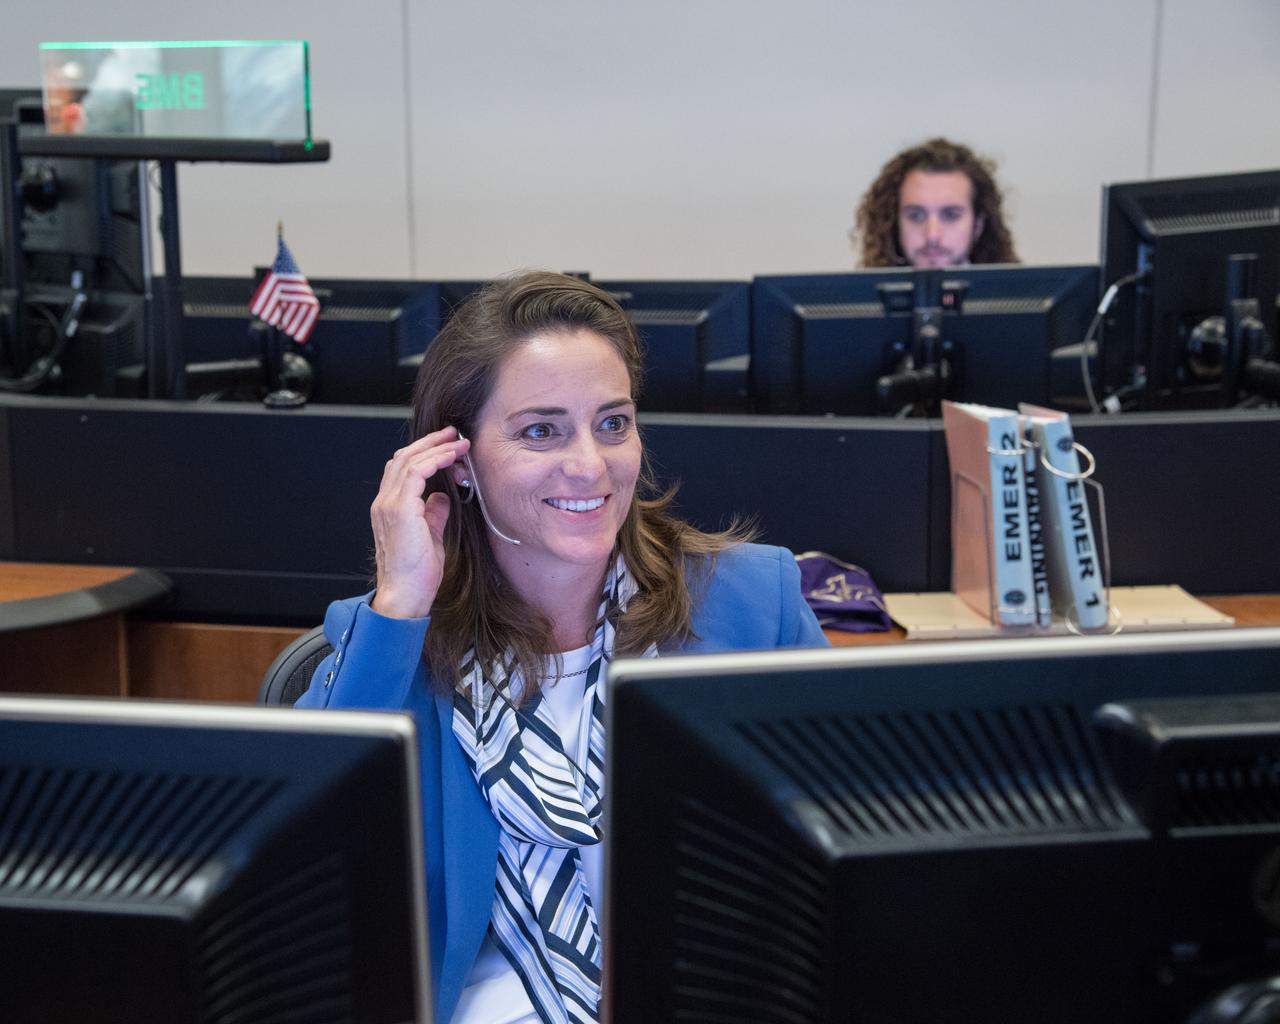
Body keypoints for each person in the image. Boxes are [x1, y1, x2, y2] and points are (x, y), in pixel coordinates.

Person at [295, 270, 828, 1024]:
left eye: (613, 423)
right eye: (541, 430)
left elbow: (838, 847)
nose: (589, 464)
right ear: (460, 460)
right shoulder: (389, 636)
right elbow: (303, 872)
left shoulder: (748, 603)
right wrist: (402, 601)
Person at [852, 137, 1019, 269]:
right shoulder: (861, 307)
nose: (932, 236)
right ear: (895, 223)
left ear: (977, 225)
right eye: (915, 216)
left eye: (951, 215)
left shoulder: (1018, 305)